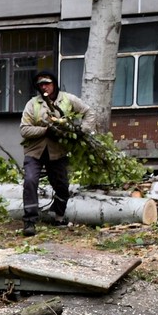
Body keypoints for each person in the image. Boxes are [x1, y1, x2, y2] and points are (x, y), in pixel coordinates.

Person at [18, 70, 95, 236]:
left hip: (58, 152)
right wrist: (45, 131)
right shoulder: (33, 104)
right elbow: (24, 130)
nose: (44, 87)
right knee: (30, 181)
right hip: (35, 151)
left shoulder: (67, 100)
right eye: (40, 84)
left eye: (47, 83)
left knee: (62, 186)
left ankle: (59, 216)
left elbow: (89, 112)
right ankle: (30, 221)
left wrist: (83, 130)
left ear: (54, 83)